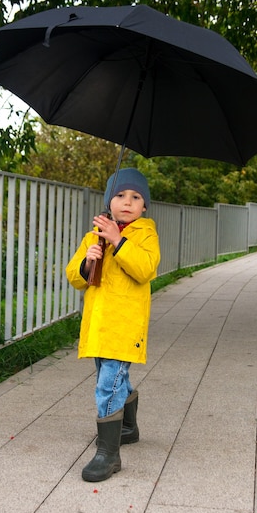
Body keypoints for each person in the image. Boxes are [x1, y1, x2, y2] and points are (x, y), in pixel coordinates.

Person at [66, 168, 160, 482]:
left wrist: (119, 241)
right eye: (120, 195)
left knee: (108, 384)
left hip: (125, 325)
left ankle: (108, 454)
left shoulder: (145, 234)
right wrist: (88, 260)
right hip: (99, 323)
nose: (127, 202)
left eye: (135, 197)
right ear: (109, 200)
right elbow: (75, 278)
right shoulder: (94, 234)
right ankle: (128, 428)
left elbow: (145, 269)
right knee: (114, 379)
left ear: (144, 206)